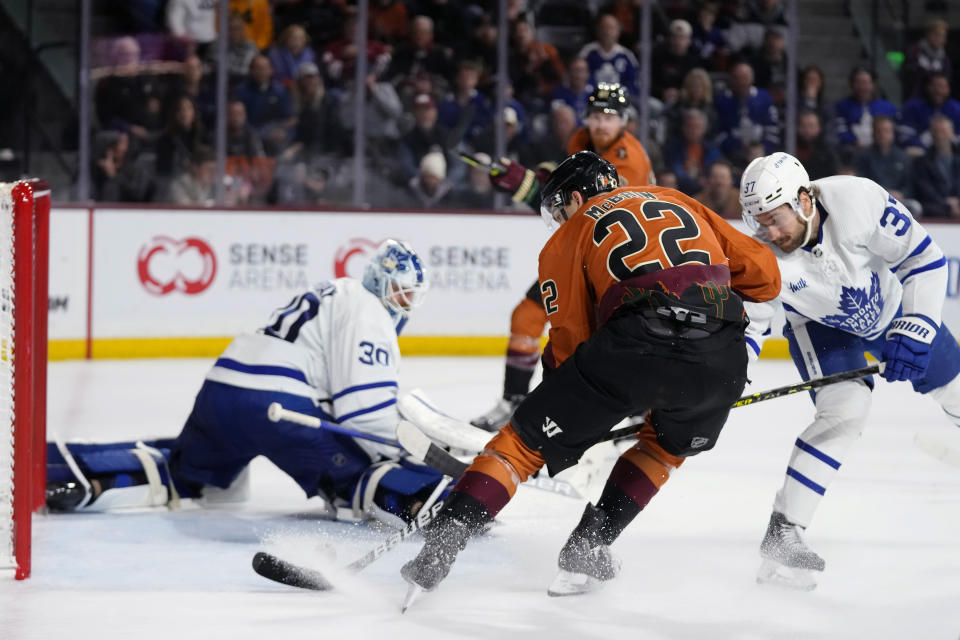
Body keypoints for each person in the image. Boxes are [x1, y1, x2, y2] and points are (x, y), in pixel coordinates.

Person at [399, 151, 781, 603]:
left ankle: (446, 538)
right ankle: (590, 545)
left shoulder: (572, 233)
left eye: (560, 209)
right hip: (720, 359)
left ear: (577, 197)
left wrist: (567, 415)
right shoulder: (679, 199)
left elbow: (570, 342)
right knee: (663, 447)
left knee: (520, 446)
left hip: (634, 344)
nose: (559, 220)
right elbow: (766, 277)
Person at [46, 240, 449, 530]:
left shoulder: (334, 291)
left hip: (222, 389)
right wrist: (418, 458)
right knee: (359, 479)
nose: (405, 301)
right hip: (278, 406)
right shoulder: (369, 311)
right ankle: (427, 501)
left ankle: (72, 473)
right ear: (382, 283)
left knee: (189, 478)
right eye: (403, 291)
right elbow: (364, 413)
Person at [738, 152, 960, 590]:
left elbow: (925, 259)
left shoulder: (858, 199)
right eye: (758, 222)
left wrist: (916, 325)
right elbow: (750, 324)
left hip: (895, 306)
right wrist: (730, 374)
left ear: (804, 200)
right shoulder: (759, 252)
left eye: (776, 219)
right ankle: (786, 534)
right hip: (820, 328)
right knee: (846, 410)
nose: (769, 232)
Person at [470, 83, 655, 431]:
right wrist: (537, 177)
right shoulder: (581, 140)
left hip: (621, 262)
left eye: (610, 117)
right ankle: (514, 403)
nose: (601, 124)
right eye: (596, 116)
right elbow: (567, 188)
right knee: (526, 316)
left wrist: (525, 185)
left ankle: (633, 408)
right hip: (586, 253)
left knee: (604, 337)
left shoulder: (628, 161)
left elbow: (583, 213)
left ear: (624, 121)